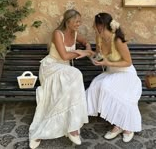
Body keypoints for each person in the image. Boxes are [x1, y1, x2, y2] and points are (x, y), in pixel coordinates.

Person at [29, 9, 94, 149]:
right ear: (68, 21)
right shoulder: (57, 34)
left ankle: (72, 125)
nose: (79, 23)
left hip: (65, 70)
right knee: (75, 74)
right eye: (76, 21)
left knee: (72, 78)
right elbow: (64, 56)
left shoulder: (75, 33)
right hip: (51, 67)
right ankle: (57, 128)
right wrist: (81, 52)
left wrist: (87, 48)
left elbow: (85, 42)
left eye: (79, 21)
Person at [86, 12, 142, 143]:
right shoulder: (99, 37)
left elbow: (128, 62)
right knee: (95, 85)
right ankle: (118, 124)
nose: (93, 26)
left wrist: (107, 63)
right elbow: (100, 55)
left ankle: (126, 126)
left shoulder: (117, 39)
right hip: (111, 73)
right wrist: (92, 56)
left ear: (101, 26)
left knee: (107, 87)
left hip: (126, 74)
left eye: (95, 24)